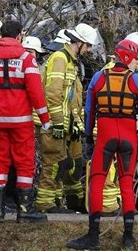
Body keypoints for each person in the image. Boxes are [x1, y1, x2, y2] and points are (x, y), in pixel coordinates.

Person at [67, 38, 138, 250]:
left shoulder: (98, 77)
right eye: (136, 59)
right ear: (129, 57)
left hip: (105, 137)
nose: (137, 64)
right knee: (127, 184)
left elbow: (89, 112)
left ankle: (93, 237)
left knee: (97, 183)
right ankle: (128, 237)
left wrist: (88, 139)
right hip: (129, 139)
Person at [0, 20, 51, 223]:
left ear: (2, 36)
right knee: (25, 163)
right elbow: (36, 93)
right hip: (21, 121)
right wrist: (45, 119)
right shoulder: (27, 59)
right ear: (19, 36)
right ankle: (25, 209)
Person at [36, 24, 98, 213]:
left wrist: (77, 124)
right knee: (55, 162)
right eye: (87, 46)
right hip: (55, 124)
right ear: (77, 42)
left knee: (70, 164)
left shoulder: (71, 62)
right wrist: (57, 122)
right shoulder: (60, 59)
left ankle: (71, 202)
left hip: (66, 124)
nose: (88, 50)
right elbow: (53, 93)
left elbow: (73, 98)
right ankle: (45, 204)